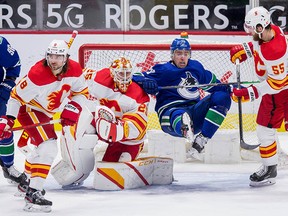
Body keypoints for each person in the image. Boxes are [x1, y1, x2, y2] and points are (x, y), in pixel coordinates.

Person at [0, 39, 89, 212]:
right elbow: (16, 98)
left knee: (41, 151)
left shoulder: (75, 70)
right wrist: (9, 119)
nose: (54, 60)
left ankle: (26, 181)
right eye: (51, 56)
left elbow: (81, 92)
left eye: (58, 56)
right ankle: (33, 193)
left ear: (66, 58)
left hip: (46, 112)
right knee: (48, 148)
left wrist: (73, 107)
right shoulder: (37, 74)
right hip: (29, 110)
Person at [51, 57, 156, 189]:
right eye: (120, 73)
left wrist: (115, 129)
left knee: (110, 172)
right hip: (103, 120)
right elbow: (76, 78)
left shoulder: (139, 95)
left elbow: (137, 127)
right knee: (80, 127)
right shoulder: (98, 78)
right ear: (112, 73)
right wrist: (59, 74)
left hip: (126, 137)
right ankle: (77, 169)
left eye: (127, 74)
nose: (124, 78)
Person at [133, 37, 232, 159]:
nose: (182, 57)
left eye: (186, 54)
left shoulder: (196, 68)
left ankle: (200, 141)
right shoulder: (163, 70)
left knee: (222, 97)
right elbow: (135, 76)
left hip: (194, 111)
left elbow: (217, 86)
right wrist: (144, 81)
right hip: (170, 113)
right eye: (179, 53)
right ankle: (183, 126)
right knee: (180, 115)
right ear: (172, 55)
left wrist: (234, 89)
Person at [229, 6, 288, 187]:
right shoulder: (272, 31)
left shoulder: (276, 51)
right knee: (264, 129)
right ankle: (270, 168)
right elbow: (257, 46)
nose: (250, 33)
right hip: (274, 94)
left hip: (281, 91)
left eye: (252, 29)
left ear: (261, 27)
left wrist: (249, 93)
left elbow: (277, 83)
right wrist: (246, 50)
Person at [0, 36, 26, 184]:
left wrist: (7, 85)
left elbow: (14, 64)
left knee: (4, 130)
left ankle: (8, 167)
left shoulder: (0, 43)